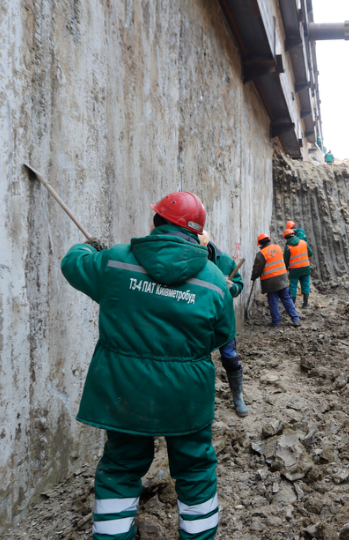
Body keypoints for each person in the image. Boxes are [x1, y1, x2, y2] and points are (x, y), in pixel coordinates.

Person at [61, 192, 233, 540]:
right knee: (196, 469)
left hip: (124, 391)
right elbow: (221, 334)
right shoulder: (214, 280)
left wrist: (86, 248)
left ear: (156, 222)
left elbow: (72, 265)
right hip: (186, 396)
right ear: (197, 234)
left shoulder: (116, 261)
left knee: (121, 465)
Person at [198, 230, 249, 417]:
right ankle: (203, 400)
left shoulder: (226, 261)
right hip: (201, 319)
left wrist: (232, 287)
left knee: (230, 357)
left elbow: (238, 286)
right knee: (199, 360)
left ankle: (238, 397)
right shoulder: (193, 261)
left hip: (223, 318)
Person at [250, 233, 300, 327]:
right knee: (287, 299)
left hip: (271, 282)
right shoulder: (277, 247)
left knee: (273, 301)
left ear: (260, 244)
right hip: (283, 279)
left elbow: (257, 269)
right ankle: (295, 319)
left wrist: (253, 277)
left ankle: (276, 322)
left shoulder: (261, 254)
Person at [283, 228, 313, 308]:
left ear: (286, 238)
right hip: (305, 268)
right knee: (306, 285)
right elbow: (310, 253)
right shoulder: (303, 242)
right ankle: (305, 304)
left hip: (294, 270)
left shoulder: (288, 247)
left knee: (293, 286)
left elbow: (285, 261)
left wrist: (284, 269)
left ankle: (292, 305)